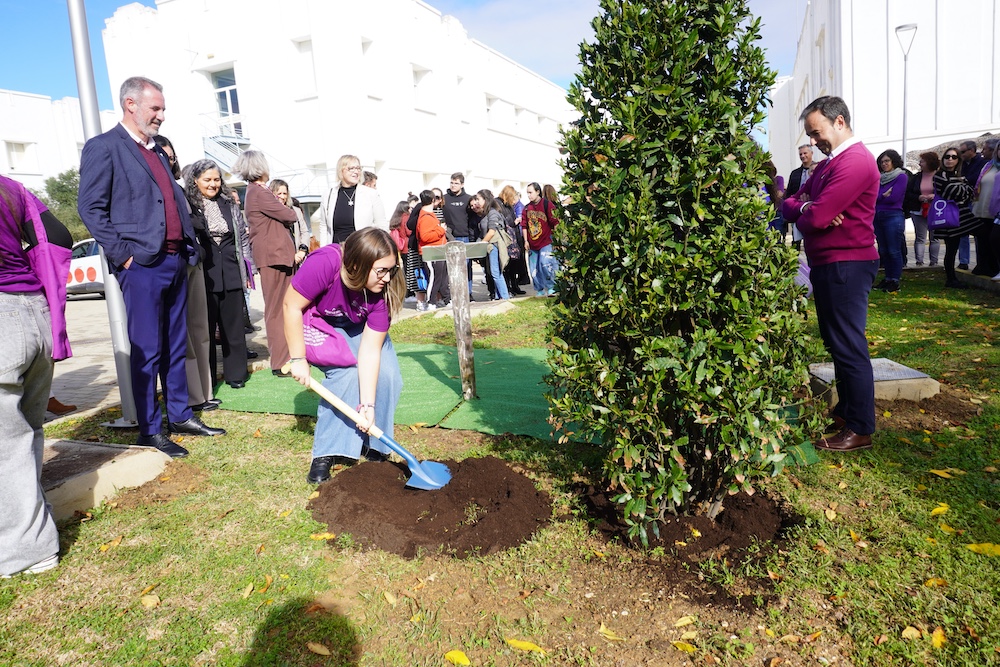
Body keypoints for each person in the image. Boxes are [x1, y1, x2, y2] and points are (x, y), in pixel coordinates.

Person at [78, 76, 224, 458]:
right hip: (141, 265)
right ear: (131, 104)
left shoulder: (156, 150)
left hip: (175, 261)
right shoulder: (104, 147)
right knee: (147, 349)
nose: (161, 115)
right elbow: (90, 207)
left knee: (176, 345)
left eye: (162, 109)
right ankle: (150, 429)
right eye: (155, 108)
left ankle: (180, 415)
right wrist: (123, 255)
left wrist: (188, 248)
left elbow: (169, 200)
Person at [781, 96, 879, 453]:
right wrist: (808, 205)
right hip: (827, 263)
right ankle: (846, 412)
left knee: (849, 345)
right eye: (810, 135)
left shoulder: (855, 162)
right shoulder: (827, 165)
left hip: (847, 263)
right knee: (836, 342)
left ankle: (860, 427)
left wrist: (811, 211)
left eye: (817, 132)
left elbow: (817, 220)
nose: (813, 141)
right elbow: (789, 204)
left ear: (839, 122)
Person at [283, 227, 404, 484]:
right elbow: (290, 305)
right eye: (381, 271)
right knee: (346, 372)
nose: (387, 278)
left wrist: (368, 406)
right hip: (320, 320)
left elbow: (370, 351)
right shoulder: (326, 262)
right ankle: (328, 451)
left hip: (357, 325)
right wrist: (298, 359)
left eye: (391, 270)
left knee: (388, 373)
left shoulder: (382, 294)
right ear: (358, 264)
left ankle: (375, 445)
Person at [0, 175, 72, 577]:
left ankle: (27, 549)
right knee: (26, 431)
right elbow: (58, 236)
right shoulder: (11, 187)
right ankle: (30, 524)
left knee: (7, 444)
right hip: (33, 309)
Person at [186, 159, 253, 389]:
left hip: (231, 270)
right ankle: (208, 379)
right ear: (196, 181)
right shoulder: (189, 205)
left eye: (216, 179)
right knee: (205, 329)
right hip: (204, 274)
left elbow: (242, 238)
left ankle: (236, 375)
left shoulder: (229, 203)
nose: (213, 184)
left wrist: (248, 269)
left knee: (233, 327)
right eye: (207, 180)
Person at [233, 149, 299, 375]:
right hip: (273, 256)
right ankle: (280, 361)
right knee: (276, 309)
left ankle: (286, 357)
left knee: (282, 307)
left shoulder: (256, 192)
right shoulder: (260, 192)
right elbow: (290, 215)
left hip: (276, 256)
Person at [932, 148, 981, 289]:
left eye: (954, 157)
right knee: (951, 249)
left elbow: (970, 193)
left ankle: (984, 266)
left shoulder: (960, 175)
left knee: (983, 234)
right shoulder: (939, 175)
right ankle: (951, 278)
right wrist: (963, 189)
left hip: (964, 216)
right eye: (947, 157)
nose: (950, 159)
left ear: (958, 160)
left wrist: (962, 190)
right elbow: (951, 192)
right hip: (949, 217)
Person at [321, 155, 386, 245]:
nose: (356, 172)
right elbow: (324, 227)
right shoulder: (328, 195)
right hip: (336, 250)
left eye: (358, 168)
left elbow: (381, 225)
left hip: (362, 249)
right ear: (341, 170)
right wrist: (323, 249)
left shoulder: (371, 194)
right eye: (351, 168)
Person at [873, 149, 909, 292]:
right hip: (878, 216)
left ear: (894, 161)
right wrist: (883, 195)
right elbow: (872, 197)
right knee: (883, 250)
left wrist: (880, 197)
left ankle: (894, 280)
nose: (884, 164)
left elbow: (894, 198)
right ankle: (887, 278)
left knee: (894, 250)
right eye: (882, 162)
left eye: (887, 161)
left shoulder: (901, 176)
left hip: (893, 216)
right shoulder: (879, 178)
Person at [471, 189, 510, 301]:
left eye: (478, 199)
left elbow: (492, 231)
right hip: (489, 247)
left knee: (496, 273)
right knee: (494, 273)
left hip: (494, 245)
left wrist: (482, 244)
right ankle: (498, 296)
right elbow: (483, 232)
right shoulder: (486, 213)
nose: (476, 202)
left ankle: (505, 297)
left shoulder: (493, 213)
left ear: (485, 199)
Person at [522, 182, 559, 296]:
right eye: (527, 193)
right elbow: (524, 226)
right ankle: (539, 289)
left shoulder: (547, 205)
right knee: (534, 268)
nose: (529, 195)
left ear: (538, 192)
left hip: (546, 241)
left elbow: (555, 222)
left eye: (531, 192)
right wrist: (526, 240)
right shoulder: (527, 208)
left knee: (545, 263)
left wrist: (557, 239)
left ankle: (551, 287)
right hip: (532, 243)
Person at [443, 173, 476, 297]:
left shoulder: (468, 199)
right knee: (453, 268)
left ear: (462, 184)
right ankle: (456, 294)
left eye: (456, 183)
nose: (453, 185)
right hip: (450, 237)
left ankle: (468, 293)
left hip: (465, 237)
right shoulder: (444, 199)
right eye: (451, 182)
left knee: (466, 267)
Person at [904, 152, 940, 266]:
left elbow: (945, 192)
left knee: (935, 237)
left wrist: (935, 196)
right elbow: (908, 193)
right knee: (920, 237)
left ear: (930, 162)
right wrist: (918, 197)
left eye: (922, 161)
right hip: (918, 210)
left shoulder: (940, 176)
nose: (920, 164)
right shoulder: (916, 177)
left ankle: (934, 262)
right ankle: (919, 262)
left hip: (936, 211)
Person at [416, 189, 450, 307]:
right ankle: (431, 302)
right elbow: (425, 237)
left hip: (437, 250)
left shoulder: (429, 215)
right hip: (431, 251)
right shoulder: (426, 216)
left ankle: (447, 300)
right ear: (432, 200)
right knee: (434, 278)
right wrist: (441, 230)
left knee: (443, 278)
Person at [958, 140, 988, 271]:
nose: (961, 154)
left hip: (975, 200)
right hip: (963, 201)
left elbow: (977, 178)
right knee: (962, 232)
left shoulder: (983, 163)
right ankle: (963, 261)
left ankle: (980, 262)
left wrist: (963, 180)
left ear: (972, 150)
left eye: (963, 151)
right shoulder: (962, 163)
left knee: (978, 233)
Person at [972, 147, 1000, 277]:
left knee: (994, 239)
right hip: (982, 208)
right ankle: (984, 267)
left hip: (996, 211)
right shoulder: (989, 166)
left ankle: (995, 267)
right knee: (983, 240)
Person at [270, 179, 310, 267]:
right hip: (280, 260)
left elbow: (304, 231)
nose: (282, 197)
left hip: (298, 258)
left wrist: (302, 250)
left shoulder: (296, 211)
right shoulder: (269, 214)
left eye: (285, 193)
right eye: (279, 193)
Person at [497, 185, 526, 295]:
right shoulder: (499, 204)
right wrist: (514, 222)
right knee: (507, 265)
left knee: (514, 264)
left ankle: (514, 286)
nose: (514, 201)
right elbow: (505, 222)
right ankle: (508, 287)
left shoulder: (508, 206)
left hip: (513, 239)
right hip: (506, 239)